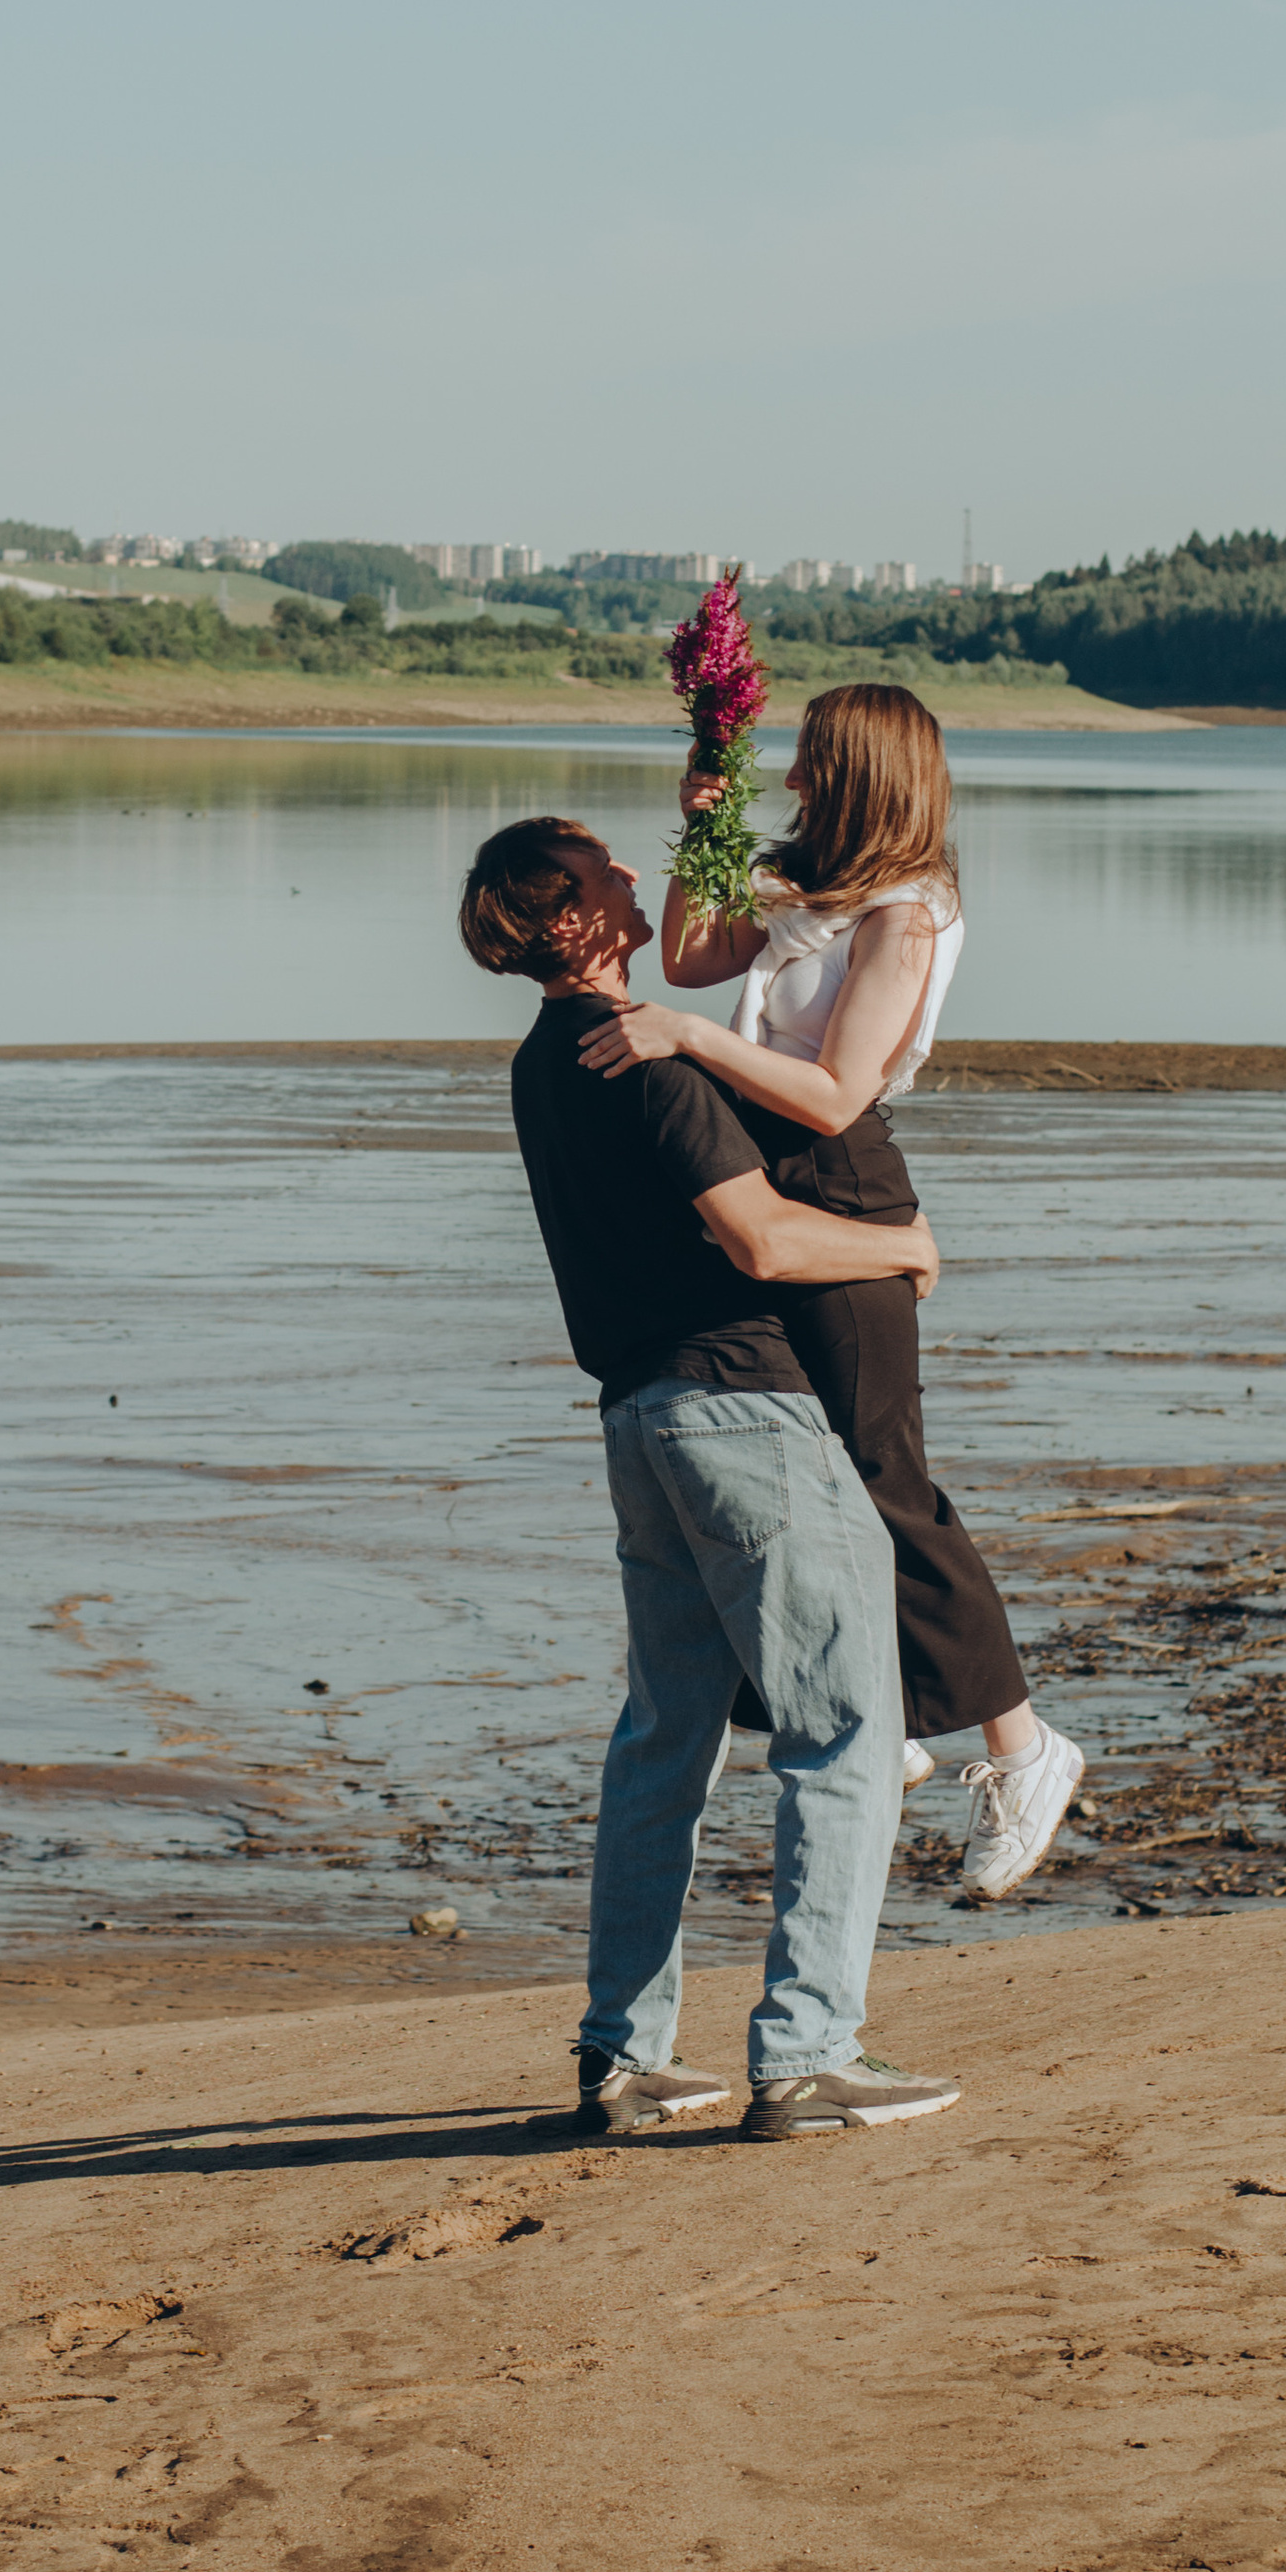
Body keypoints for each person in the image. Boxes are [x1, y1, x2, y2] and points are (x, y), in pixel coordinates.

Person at [461, 811, 964, 2145]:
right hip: (743, 1417)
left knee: (664, 1741)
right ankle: (805, 2056)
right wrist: (901, 1243)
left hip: (637, 1424)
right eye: (604, 870)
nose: (634, 874)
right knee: (849, 1730)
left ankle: (621, 2058)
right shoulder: (646, 1060)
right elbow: (760, 1239)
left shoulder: (539, 1061)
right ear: (569, 917)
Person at [578, 681, 1085, 1903]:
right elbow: (697, 952)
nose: (791, 777)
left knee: (882, 1475)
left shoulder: (904, 912)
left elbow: (836, 1092)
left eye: (809, 761)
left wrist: (689, 1041)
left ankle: (1024, 1751)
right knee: (788, 1458)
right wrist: (697, 830)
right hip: (759, 1170)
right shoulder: (810, 885)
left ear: (861, 771)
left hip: (837, 1178)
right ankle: (890, 1721)